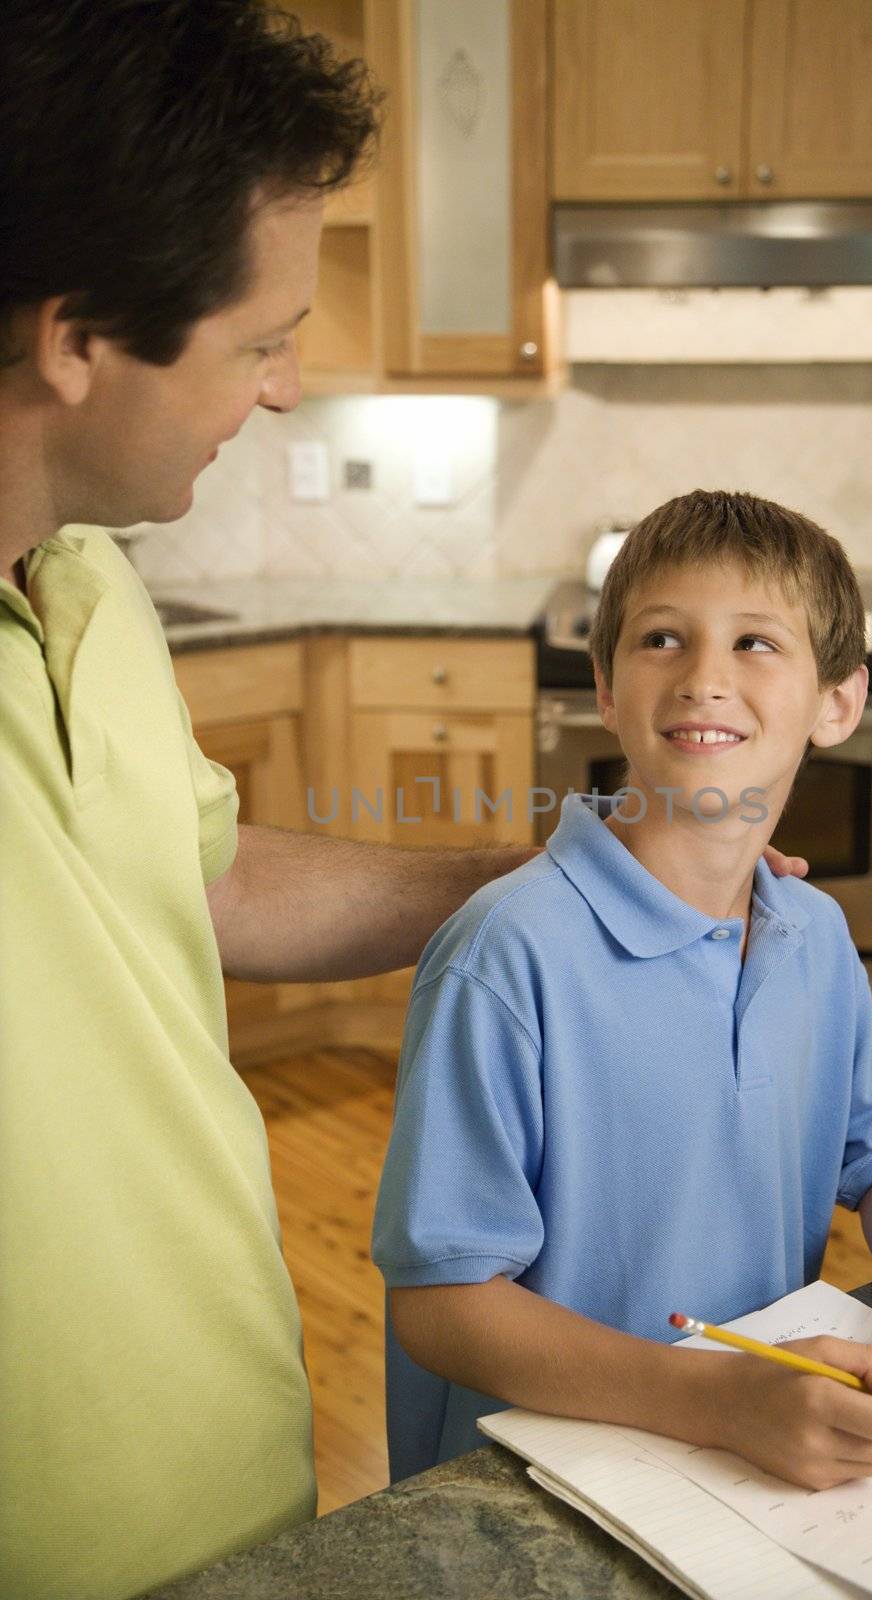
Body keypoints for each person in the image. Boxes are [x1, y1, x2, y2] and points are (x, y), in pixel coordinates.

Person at [0, 10, 810, 1598]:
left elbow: (209, 888)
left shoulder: (87, 581)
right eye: (261, 338)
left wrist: (567, 873)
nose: (291, 386)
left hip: (220, 1462)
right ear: (77, 336)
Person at [372, 488, 872, 1489]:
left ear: (837, 702)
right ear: (605, 687)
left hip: (749, 1459)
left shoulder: (812, 934)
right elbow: (440, 1301)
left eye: (753, 643)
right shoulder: (505, 953)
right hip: (535, 1483)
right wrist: (710, 1400)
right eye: (661, 638)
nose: (703, 678)